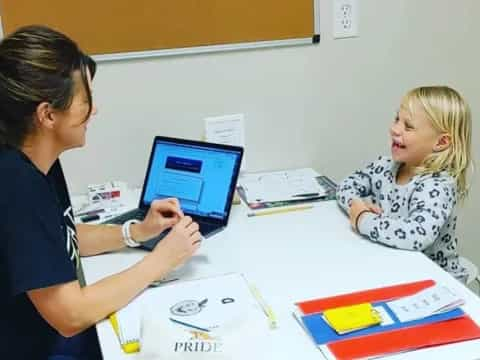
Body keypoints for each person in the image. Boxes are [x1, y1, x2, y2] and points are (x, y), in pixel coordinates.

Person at [0, 25, 201, 359]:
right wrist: (161, 261)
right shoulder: (15, 185)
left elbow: (57, 238)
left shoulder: (37, 159)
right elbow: (71, 315)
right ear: (47, 115)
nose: (95, 110)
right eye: (85, 101)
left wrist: (135, 232)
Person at [336, 86, 472, 282]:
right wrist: (357, 205)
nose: (394, 129)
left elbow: (416, 236)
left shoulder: (437, 186)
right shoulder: (385, 166)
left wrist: (363, 220)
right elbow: (346, 185)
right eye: (396, 119)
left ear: (441, 142)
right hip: (394, 267)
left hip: (435, 282)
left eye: (408, 126)